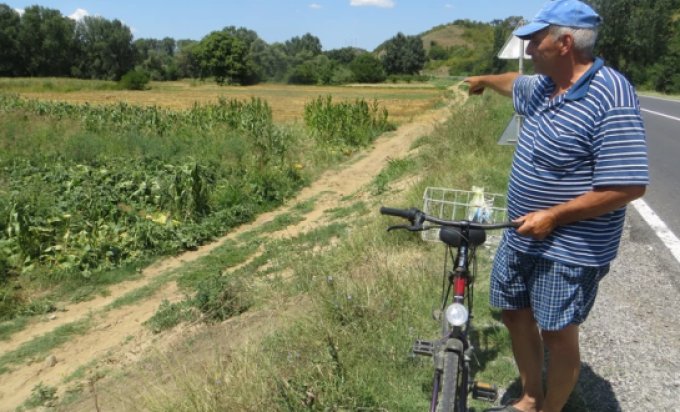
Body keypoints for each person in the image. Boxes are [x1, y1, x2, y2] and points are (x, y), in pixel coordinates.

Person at [464, 1, 649, 411]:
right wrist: (482, 79)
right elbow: (513, 82)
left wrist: (554, 216)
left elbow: (629, 185)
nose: (529, 49)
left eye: (535, 40)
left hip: (570, 247)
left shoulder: (611, 94)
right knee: (513, 313)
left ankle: (551, 409)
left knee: (558, 333)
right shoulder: (545, 86)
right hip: (520, 234)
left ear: (564, 43)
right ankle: (531, 396)